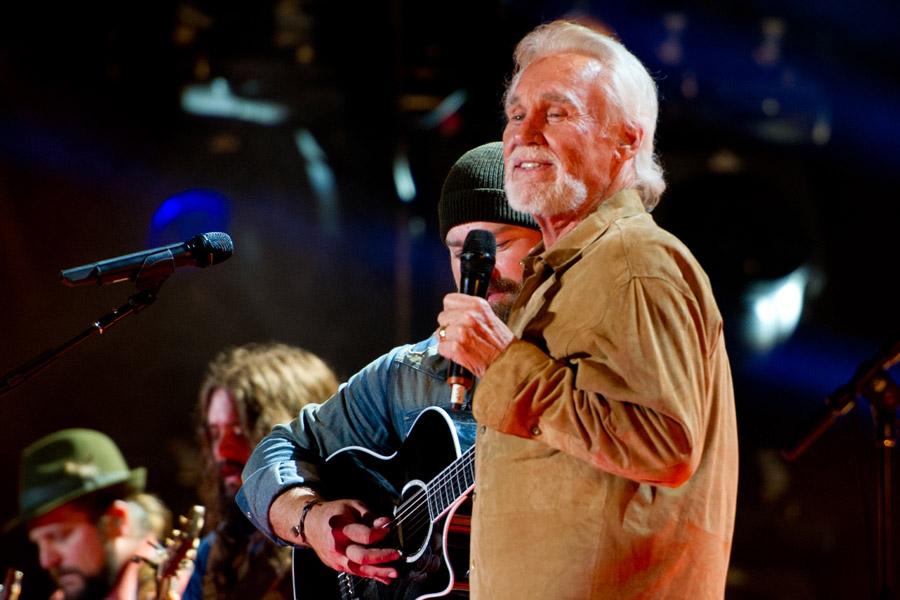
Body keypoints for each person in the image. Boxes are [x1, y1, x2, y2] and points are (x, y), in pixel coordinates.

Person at [434, 19, 739, 600]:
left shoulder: (633, 262)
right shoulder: (570, 271)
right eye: (517, 114)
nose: (525, 134)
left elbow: (661, 443)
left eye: (557, 113)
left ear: (626, 140)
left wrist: (505, 366)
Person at [236, 141, 542, 593]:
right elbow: (276, 454)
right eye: (462, 252)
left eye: (499, 244)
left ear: (548, 239)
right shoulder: (410, 373)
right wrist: (312, 517)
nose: (481, 269)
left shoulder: (575, 370)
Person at [183, 342, 340, 600]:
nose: (221, 452)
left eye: (238, 432)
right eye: (214, 434)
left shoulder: (341, 530)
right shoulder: (212, 555)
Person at [5, 428, 177, 600]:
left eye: (60, 536)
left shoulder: (186, 588)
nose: (47, 561)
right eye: (38, 544)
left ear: (117, 521)